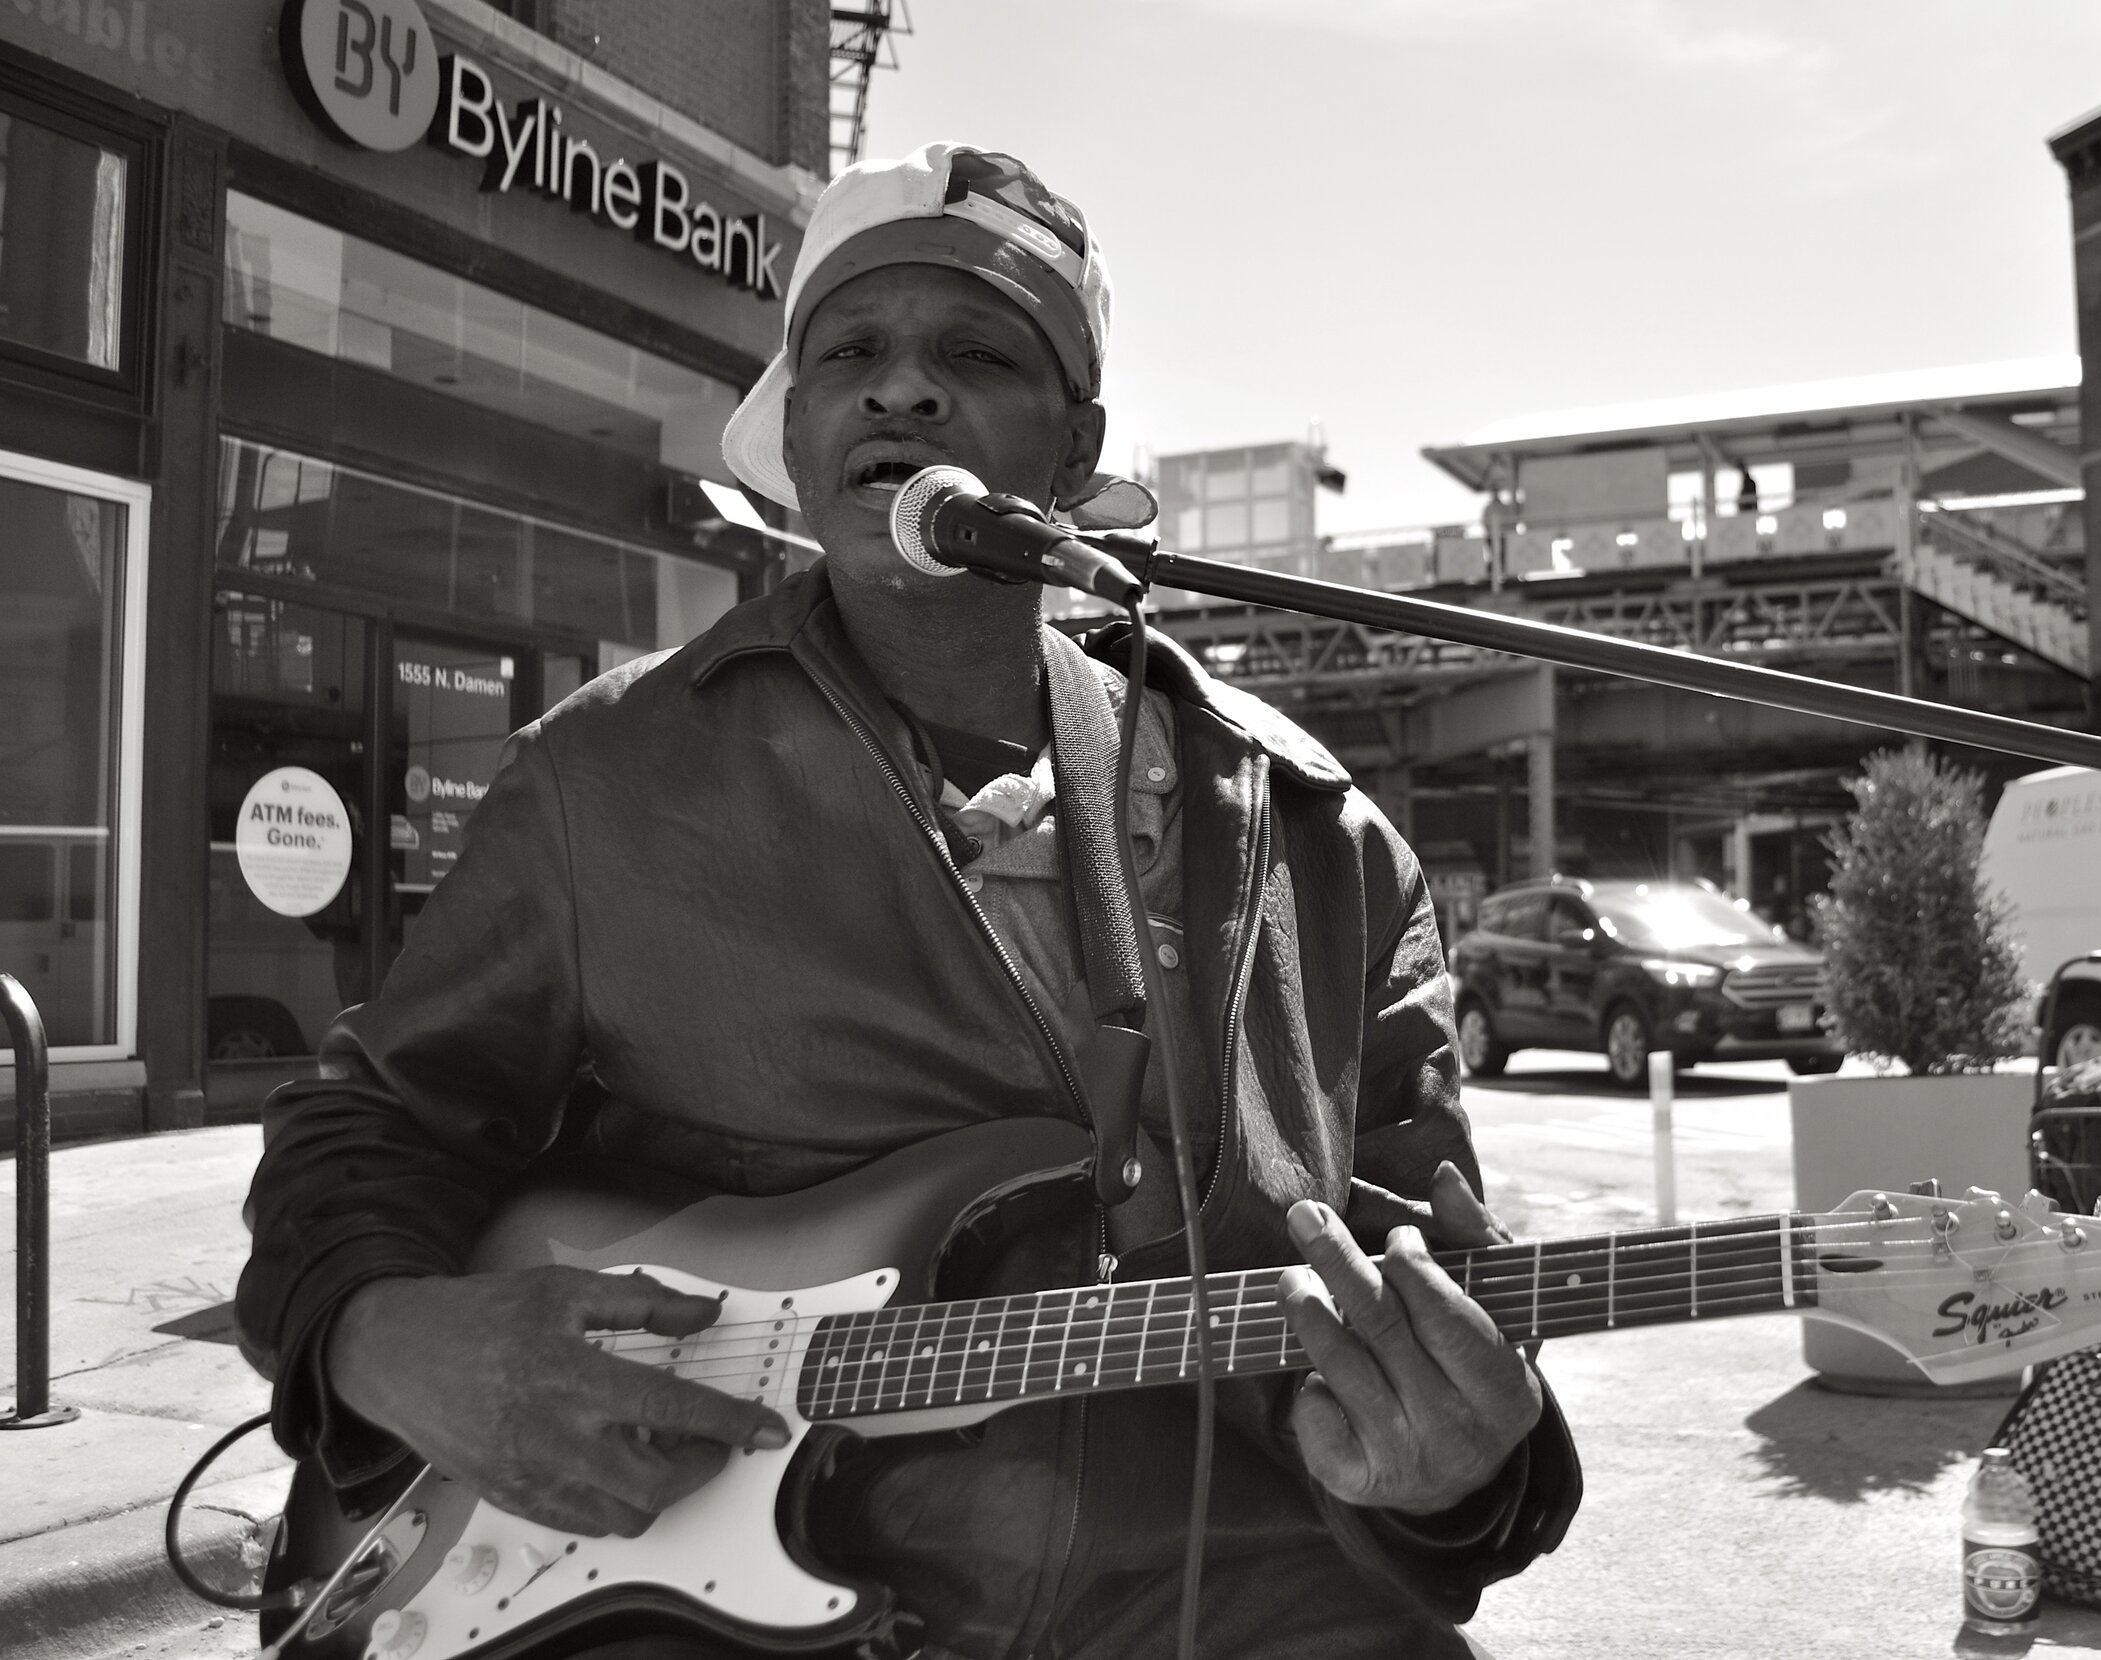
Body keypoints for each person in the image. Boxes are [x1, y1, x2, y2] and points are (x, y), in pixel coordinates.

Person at [235, 142, 1578, 1660]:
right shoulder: (601, 776)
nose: (903, 391)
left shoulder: (1315, 835)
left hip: (1254, 1604)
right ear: (799, 435)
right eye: (852, 355)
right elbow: (371, 1125)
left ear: (1074, 453)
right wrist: (383, 1337)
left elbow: (1440, 1286)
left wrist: (1462, 1466)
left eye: (976, 354)